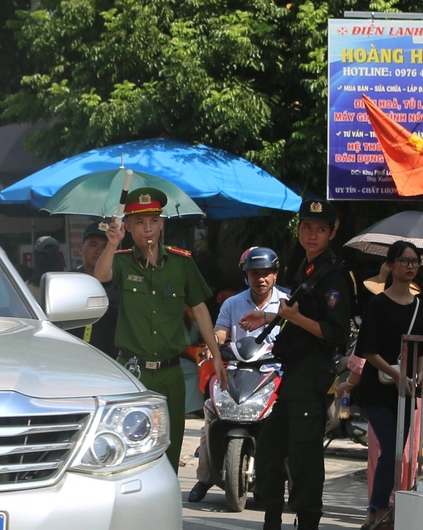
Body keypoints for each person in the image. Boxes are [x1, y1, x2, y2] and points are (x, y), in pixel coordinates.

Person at [89, 187, 220, 476]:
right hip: (134, 371)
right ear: (128, 227)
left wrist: (218, 356)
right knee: (128, 450)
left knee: (169, 452)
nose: (147, 229)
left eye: (153, 221)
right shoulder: (121, 259)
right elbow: (100, 277)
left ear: (162, 223)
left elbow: (199, 309)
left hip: (171, 373)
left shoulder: (181, 263)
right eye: (139, 222)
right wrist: (111, 244)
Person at [255, 197, 356, 530]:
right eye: (307, 228)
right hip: (294, 372)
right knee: (269, 447)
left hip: (312, 373)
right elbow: (296, 311)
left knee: (304, 454)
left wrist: (295, 320)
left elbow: (336, 333)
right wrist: (270, 318)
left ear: (332, 232)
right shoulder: (308, 268)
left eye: (321, 229)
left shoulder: (333, 275)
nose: (312, 235)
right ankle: (270, 524)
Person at [354, 239, 423, 530]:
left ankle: (379, 514)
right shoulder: (377, 304)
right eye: (404, 261)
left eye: (415, 261)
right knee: (390, 448)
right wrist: (396, 374)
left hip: (404, 393)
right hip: (375, 390)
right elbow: (367, 350)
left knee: (397, 454)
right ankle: (376, 511)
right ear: (390, 264)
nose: (411, 266)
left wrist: (414, 379)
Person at [189, 246, 286, 505]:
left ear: (276, 274)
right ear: (246, 274)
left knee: (287, 420)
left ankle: (288, 476)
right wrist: (213, 346)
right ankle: (205, 476)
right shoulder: (232, 303)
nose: (261, 279)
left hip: (274, 372)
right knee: (211, 411)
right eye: (255, 273)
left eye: (266, 273)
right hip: (237, 370)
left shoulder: (287, 302)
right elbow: (220, 332)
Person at [77, 224, 119, 354]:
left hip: (111, 359)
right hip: (73, 356)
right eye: (93, 245)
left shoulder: (119, 283)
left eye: (105, 247)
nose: (99, 251)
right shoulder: (70, 281)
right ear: (81, 248)